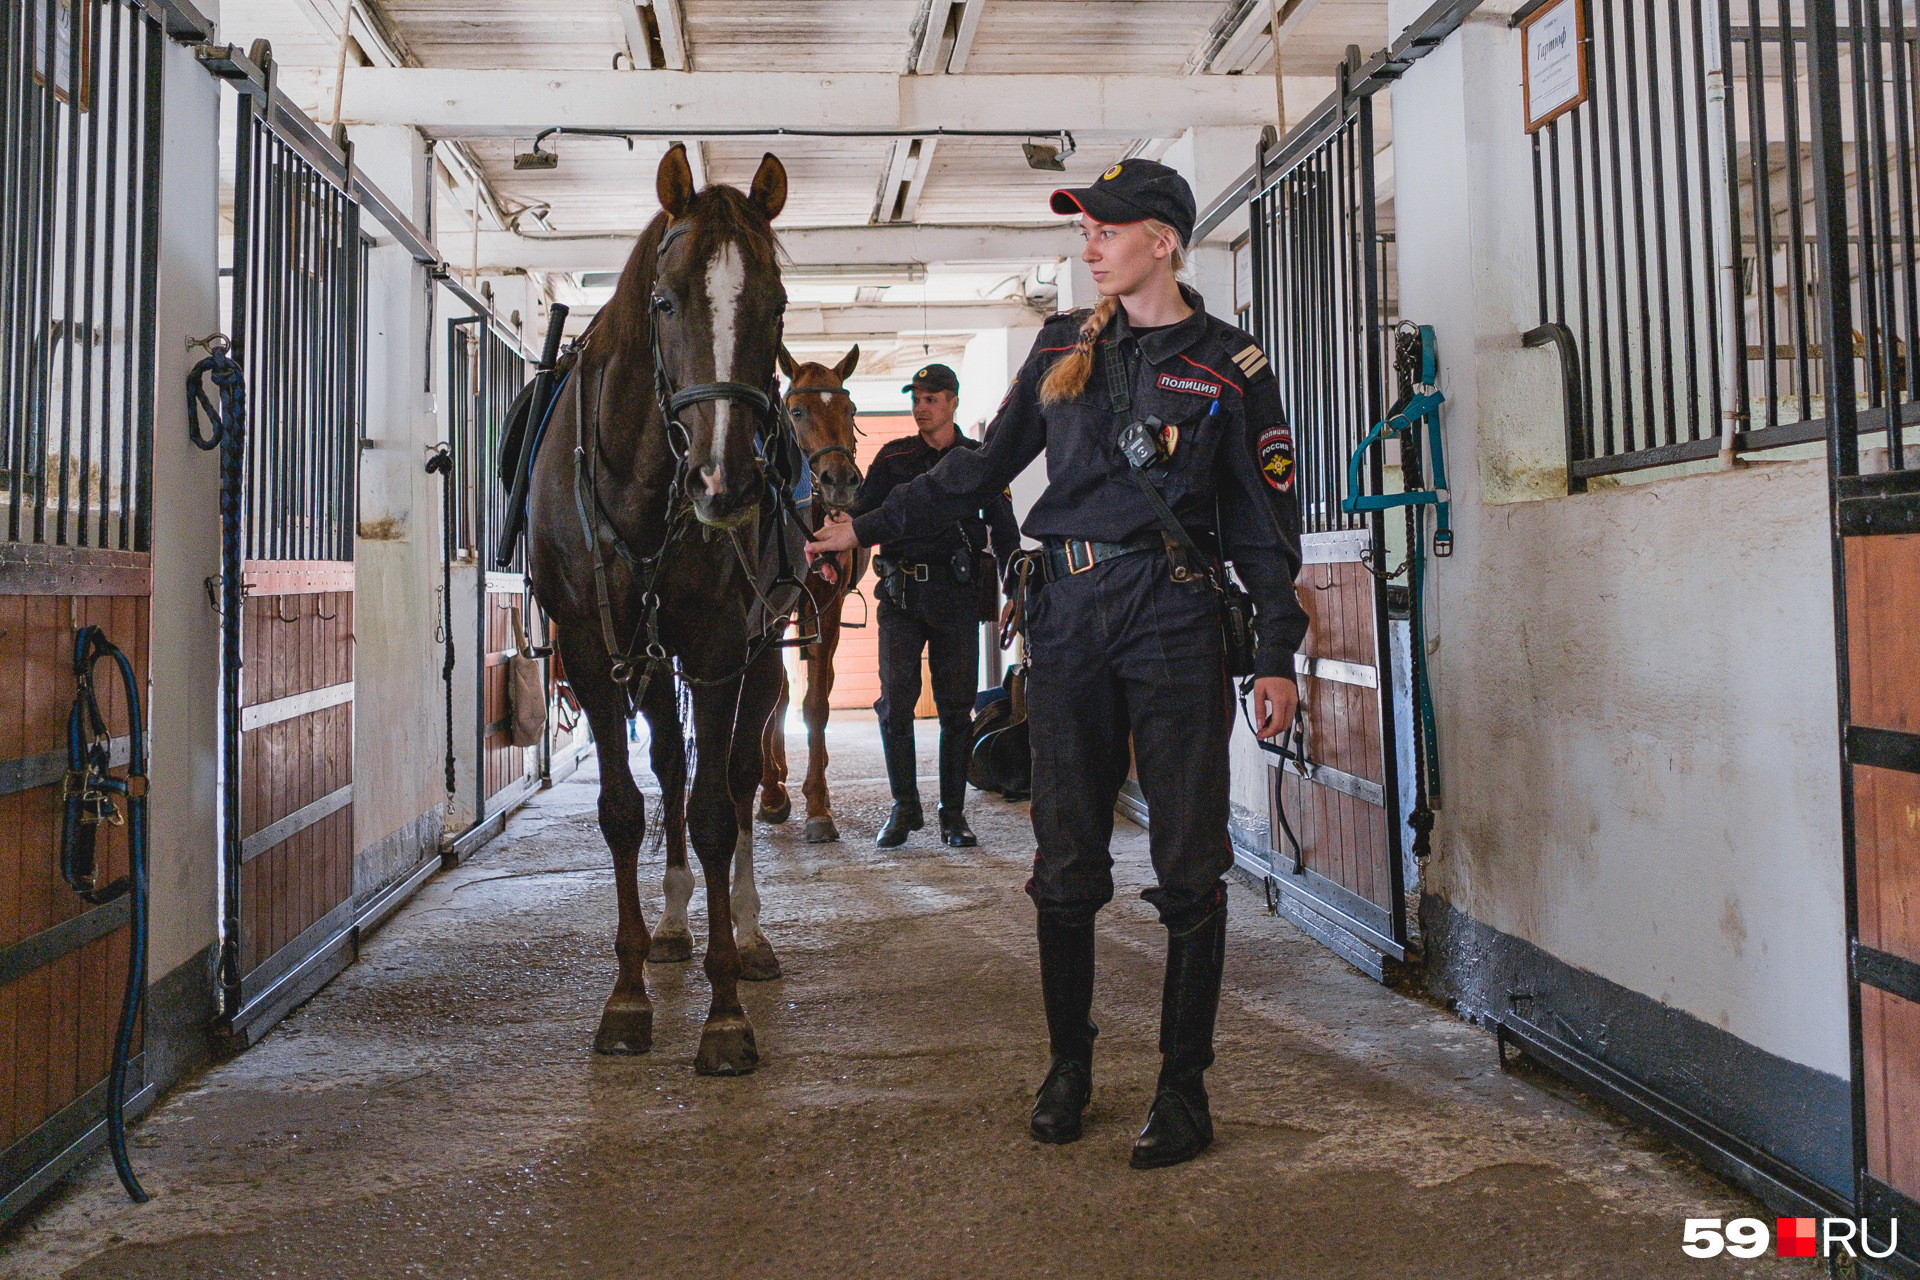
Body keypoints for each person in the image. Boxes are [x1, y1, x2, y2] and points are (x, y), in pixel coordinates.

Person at [808, 159, 1307, 1169]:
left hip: (1174, 617)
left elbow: (1265, 529)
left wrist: (1273, 656)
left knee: (1188, 861)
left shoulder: (1229, 366)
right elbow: (976, 472)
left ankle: (1182, 1085)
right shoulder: (1057, 349)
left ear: (1161, 239)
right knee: (1065, 855)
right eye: (1083, 227)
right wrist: (860, 524)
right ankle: (1068, 1065)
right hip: (1069, 615)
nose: (1088, 244)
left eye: (1104, 228)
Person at [851, 363, 1022, 850]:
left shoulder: (977, 459)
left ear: (952, 403)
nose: (920, 407)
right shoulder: (893, 458)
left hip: (956, 598)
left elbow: (1004, 529)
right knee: (894, 705)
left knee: (954, 710)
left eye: (930, 398)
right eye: (916, 399)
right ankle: (905, 808)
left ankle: (953, 816)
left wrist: (1016, 589)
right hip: (901, 597)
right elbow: (861, 517)